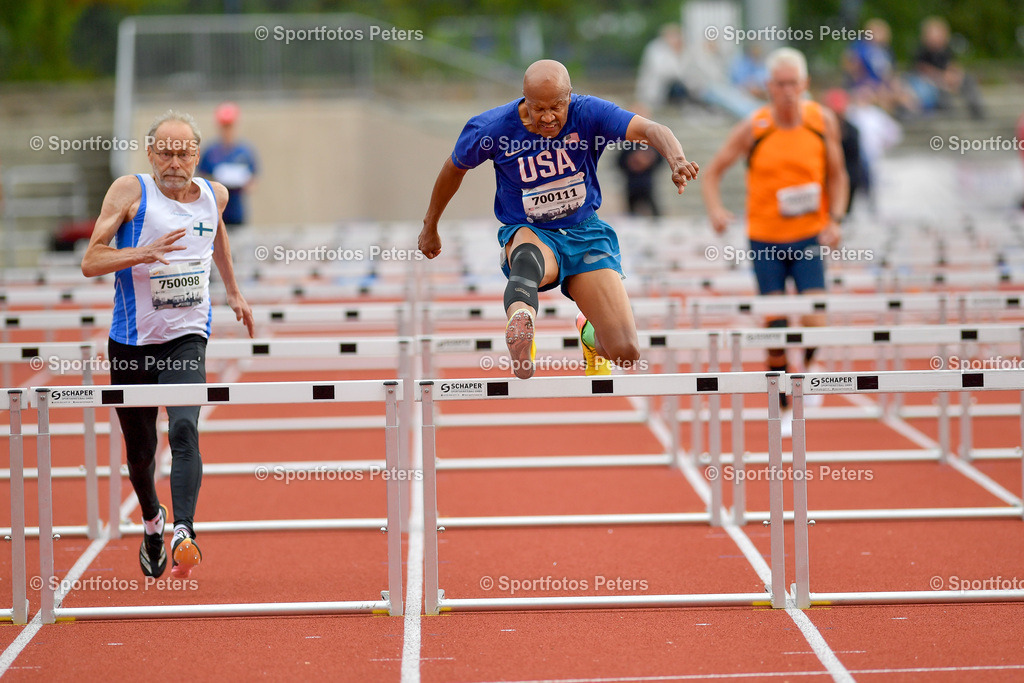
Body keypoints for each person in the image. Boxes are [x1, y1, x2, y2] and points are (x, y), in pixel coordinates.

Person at [418, 59, 699, 379]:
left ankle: (589, 333)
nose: (548, 117)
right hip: (532, 230)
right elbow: (454, 167)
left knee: (625, 352)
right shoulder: (492, 128)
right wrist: (431, 225)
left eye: (557, 107)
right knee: (526, 258)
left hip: (585, 233)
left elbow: (652, 129)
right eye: (538, 109)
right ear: (524, 99)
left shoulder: (590, 113)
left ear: (570, 98)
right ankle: (522, 323)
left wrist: (676, 159)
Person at [81, 110, 255, 579]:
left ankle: (184, 531)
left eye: (184, 152)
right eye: (165, 151)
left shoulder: (214, 194)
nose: (174, 161)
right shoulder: (130, 190)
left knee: (183, 429)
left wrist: (234, 291)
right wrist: (142, 253)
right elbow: (91, 260)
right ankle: (153, 521)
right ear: (151, 152)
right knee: (140, 454)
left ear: (197, 154)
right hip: (132, 341)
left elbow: (217, 235)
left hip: (186, 336)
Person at [701, 48, 848, 437]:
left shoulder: (821, 120)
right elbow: (713, 172)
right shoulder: (755, 125)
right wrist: (716, 210)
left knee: (816, 317)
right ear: (768, 86)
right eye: (779, 84)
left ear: (805, 85)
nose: (786, 91)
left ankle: (813, 364)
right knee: (775, 327)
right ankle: (782, 405)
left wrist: (835, 219)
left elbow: (838, 175)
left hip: (808, 236)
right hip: (765, 239)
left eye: (793, 84)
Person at [908, 16, 984, 120]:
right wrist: (942, 76)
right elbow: (922, 69)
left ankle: (976, 109)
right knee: (941, 88)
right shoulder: (921, 50)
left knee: (967, 79)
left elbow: (952, 65)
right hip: (928, 82)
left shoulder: (946, 50)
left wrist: (956, 75)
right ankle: (947, 113)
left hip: (945, 79)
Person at [196, 102, 259, 228]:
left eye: (230, 126)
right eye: (224, 126)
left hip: (237, 212)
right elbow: (200, 180)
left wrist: (240, 182)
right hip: (214, 212)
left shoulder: (245, 152)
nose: (227, 130)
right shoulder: (210, 152)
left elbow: (253, 182)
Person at [617, 104, 664, 217]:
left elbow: (661, 160)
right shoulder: (627, 140)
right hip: (631, 185)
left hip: (648, 184)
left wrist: (649, 160)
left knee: (656, 214)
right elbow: (619, 162)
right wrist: (632, 162)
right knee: (631, 215)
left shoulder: (653, 140)